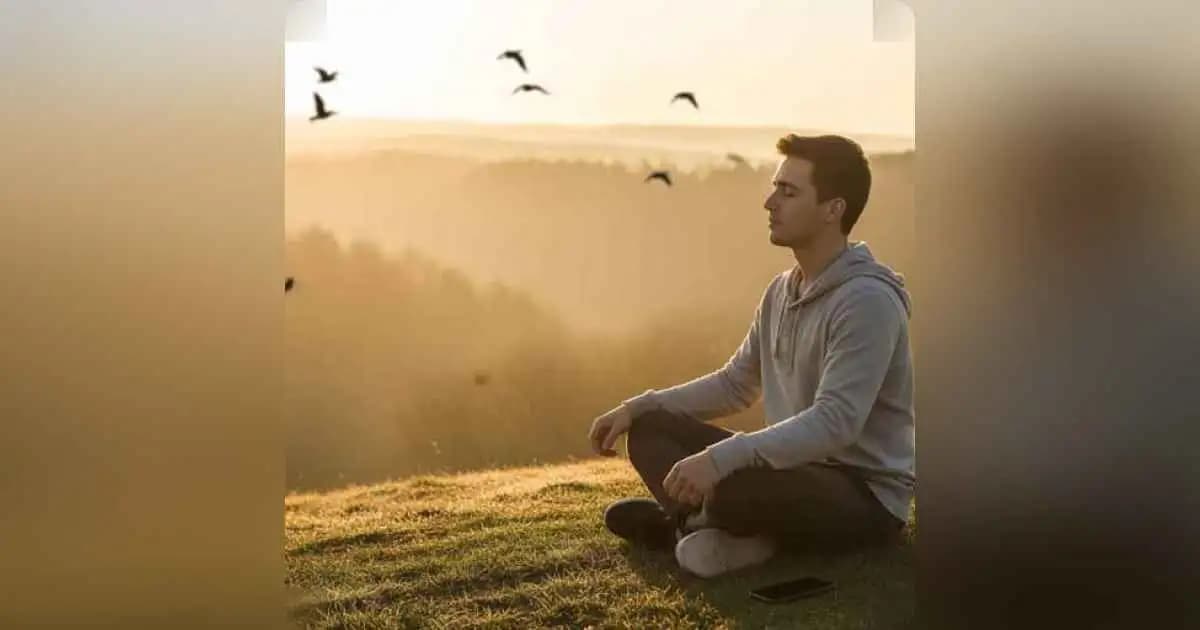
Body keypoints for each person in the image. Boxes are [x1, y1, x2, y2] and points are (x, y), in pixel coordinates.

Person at [588, 134, 915, 578]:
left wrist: (723, 459)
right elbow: (736, 384)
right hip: (792, 473)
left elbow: (837, 422)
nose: (769, 202)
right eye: (774, 187)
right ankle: (720, 533)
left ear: (833, 210)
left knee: (736, 485)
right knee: (650, 429)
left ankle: (689, 527)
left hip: (862, 496)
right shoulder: (781, 291)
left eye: (788, 191)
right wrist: (638, 406)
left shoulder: (867, 302)